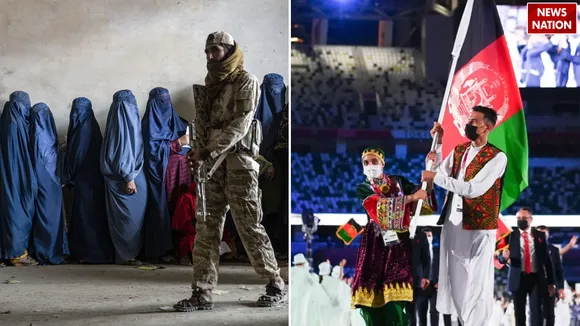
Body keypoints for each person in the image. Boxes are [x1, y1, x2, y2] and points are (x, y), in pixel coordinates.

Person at [174, 31, 284, 311]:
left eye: (216, 51)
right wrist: (198, 155)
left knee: (249, 226)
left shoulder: (246, 81)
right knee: (206, 229)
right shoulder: (210, 85)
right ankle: (202, 291)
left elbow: (241, 125)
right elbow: (202, 125)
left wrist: (208, 151)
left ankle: (274, 282)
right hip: (210, 168)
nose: (211, 56)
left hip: (239, 165)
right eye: (207, 51)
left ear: (230, 50)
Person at [423, 106, 508, 326]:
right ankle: (463, 322)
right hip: (454, 223)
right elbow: (440, 172)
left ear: (487, 127)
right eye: (468, 119)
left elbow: (473, 189)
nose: (468, 123)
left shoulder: (497, 157)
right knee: (456, 283)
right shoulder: (460, 150)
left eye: (474, 121)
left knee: (477, 284)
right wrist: (439, 145)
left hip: (480, 227)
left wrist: (435, 175)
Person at [352, 146, 437, 326]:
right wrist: (411, 198)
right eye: (366, 163)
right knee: (372, 302)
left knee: (395, 299)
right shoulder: (363, 188)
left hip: (398, 247)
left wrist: (429, 179)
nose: (370, 165)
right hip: (374, 246)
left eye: (374, 161)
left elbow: (423, 203)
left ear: (383, 163)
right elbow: (379, 208)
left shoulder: (398, 182)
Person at [101, 90, 147, 265]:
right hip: (126, 179)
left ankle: (129, 253)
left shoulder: (117, 120)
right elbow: (124, 152)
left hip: (129, 175)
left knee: (128, 220)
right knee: (127, 221)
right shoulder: (124, 122)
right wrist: (129, 177)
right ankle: (126, 255)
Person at [65, 97, 114, 264]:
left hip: (84, 180)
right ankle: (93, 252)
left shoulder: (82, 128)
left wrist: (68, 174)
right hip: (95, 179)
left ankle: (89, 253)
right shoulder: (92, 125)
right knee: (94, 215)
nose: (75, 114)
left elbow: (77, 157)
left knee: (85, 216)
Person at [141, 87, 187, 260]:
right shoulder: (148, 125)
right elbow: (152, 151)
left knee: (180, 208)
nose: (164, 105)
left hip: (180, 175)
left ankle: (180, 249)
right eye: (160, 102)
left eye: (166, 101)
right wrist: (177, 143)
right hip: (159, 175)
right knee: (161, 209)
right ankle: (161, 250)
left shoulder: (178, 121)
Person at [497, 208, 556, 326]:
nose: (520, 221)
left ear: (531, 219)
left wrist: (551, 282)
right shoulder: (510, 236)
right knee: (519, 313)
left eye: (524, 219)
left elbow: (547, 261)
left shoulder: (540, 235)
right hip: (518, 278)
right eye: (518, 218)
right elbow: (500, 257)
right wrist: (503, 257)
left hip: (536, 279)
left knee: (536, 312)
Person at [0, 91, 39, 266]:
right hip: (16, 178)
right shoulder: (16, 125)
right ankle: (18, 254)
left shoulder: (9, 121)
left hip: (10, 177)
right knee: (18, 212)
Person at [29, 102, 69, 265]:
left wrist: (61, 148)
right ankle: (48, 252)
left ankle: (50, 250)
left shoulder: (34, 132)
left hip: (47, 180)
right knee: (49, 218)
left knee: (49, 217)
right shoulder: (41, 135)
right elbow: (46, 156)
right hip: (48, 180)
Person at [537, 225, 565, 326]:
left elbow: (559, 270)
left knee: (549, 313)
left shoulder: (554, 250)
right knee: (536, 312)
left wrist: (561, 287)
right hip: (535, 286)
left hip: (550, 286)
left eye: (544, 234)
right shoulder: (530, 249)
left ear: (548, 235)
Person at [408, 228, 431, 326]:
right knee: (409, 314)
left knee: (420, 313)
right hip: (401, 280)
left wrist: (425, 276)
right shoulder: (396, 233)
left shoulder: (421, 235)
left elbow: (426, 257)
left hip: (418, 280)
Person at [171, 181, 197, 265]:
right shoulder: (187, 198)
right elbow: (183, 221)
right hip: (190, 228)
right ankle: (184, 256)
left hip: (202, 227)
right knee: (188, 240)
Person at [290, 253, 319, 326]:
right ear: (304, 263)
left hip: (292, 299)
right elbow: (314, 283)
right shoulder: (306, 272)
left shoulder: (292, 270)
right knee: (301, 318)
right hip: (304, 301)